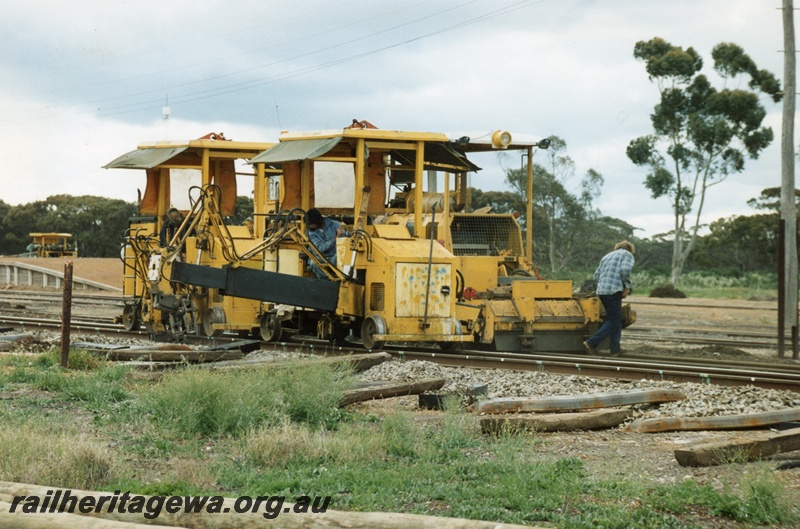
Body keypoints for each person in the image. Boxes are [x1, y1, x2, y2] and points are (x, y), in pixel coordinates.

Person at [583, 240, 635, 356]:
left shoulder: (607, 256)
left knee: (616, 319)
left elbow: (596, 275)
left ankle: (615, 350)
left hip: (602, 291)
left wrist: (602, 285)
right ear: (630, 249)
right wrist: (626, 286)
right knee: (613, 320)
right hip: (614, 291)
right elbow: (625, 270)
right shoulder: (627, 255)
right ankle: (591, 342)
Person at [305, 208, 350, 279]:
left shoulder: (334, 224)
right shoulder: (311, 233)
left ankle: (342, 278)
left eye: (311, 224)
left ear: (318, 222)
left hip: (334, 256)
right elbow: (320, 248)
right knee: (313, 263)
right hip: (321, 258)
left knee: (342, 256)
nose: (310, 227)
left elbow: (346, 237)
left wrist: (345, 234)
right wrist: (335, 238)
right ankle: (326, 281)